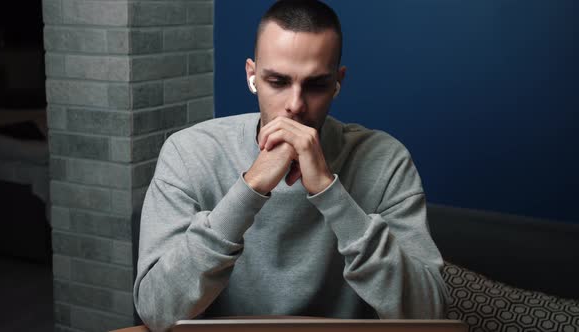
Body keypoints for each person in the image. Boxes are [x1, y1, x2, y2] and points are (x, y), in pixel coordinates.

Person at [134, 1, 448, 331]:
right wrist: (249, 188)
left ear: (337, 83)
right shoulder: (190, 153)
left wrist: (330, 192)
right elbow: (157, 310)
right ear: (252, 76)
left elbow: (429, 317)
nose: (295, 105)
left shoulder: (386, 160)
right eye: (278, 81)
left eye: (315, 85)